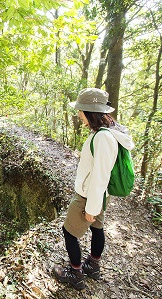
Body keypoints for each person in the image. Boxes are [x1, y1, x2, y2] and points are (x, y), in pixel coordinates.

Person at [53, 88, 134, 290]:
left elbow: (100, 174)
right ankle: (93, 266)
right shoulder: (105, 134)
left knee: (69, 232)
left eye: (80, 111)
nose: (79, 115)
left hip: (88, 195)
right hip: (98, 195)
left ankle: (76, 273)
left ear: (89, 111)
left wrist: (91, 206)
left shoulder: (103, 138)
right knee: (97, 228)